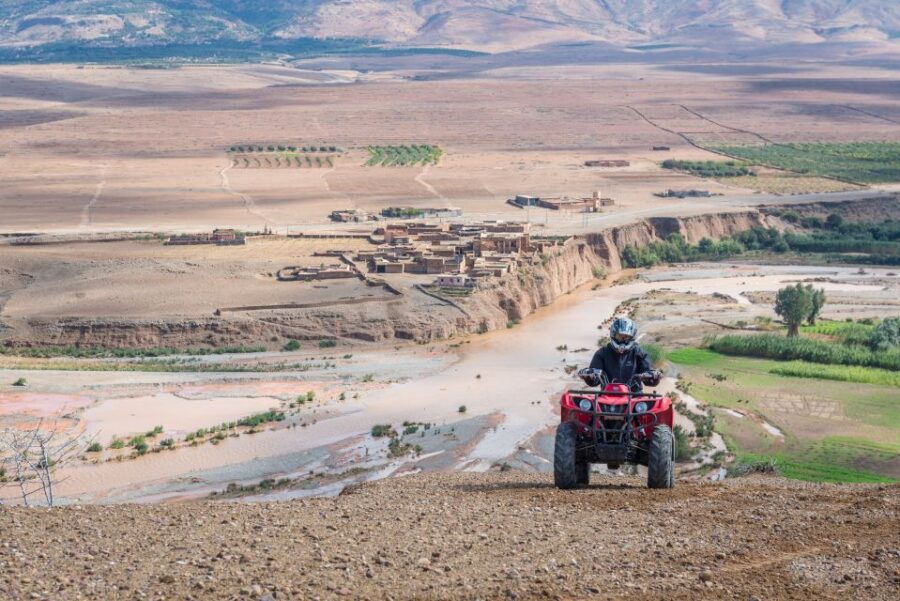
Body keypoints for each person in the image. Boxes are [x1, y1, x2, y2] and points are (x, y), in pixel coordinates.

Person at [581, 316, 659, 390]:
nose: (622, 340)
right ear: (613, 334)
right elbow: (594, 382)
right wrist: (589, 376)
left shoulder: (638, 352)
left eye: (626, 337)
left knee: (659, 403)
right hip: (607, 395)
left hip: (634, 396)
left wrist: (653, 376)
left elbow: (648, 377)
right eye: (619, 336)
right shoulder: (602, 353)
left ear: (632, 337)